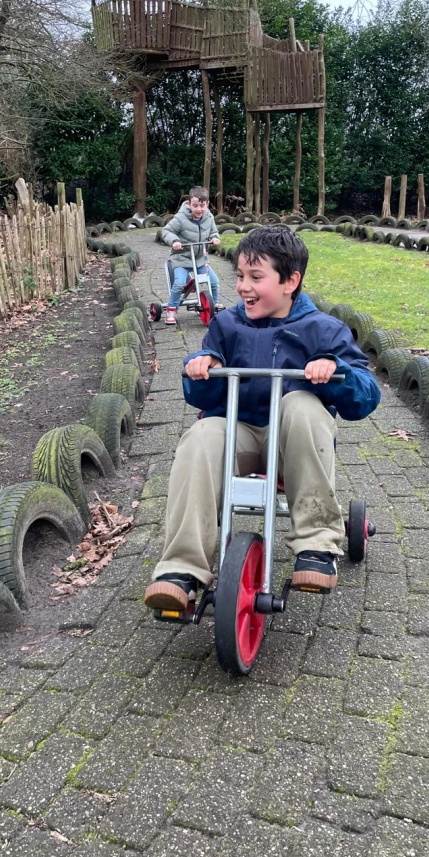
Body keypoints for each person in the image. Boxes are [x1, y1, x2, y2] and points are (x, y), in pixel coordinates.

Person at [144, 225, 381, 613]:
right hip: (238, 431)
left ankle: (317, 545)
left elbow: (365, 395)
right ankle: (182, 569)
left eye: (256, 277)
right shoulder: (226, 325)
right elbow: (203, 392)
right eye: (239, 276)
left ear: (291, 281)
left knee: (302, 405)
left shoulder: (322, 329)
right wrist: (200, 367)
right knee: (201, 434)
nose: (243, 286)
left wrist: (334, 369)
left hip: (289, 442)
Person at [161, 187, 222, 325]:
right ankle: (172, 309)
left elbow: (213, 232)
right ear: (189, 204)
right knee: (179, 283)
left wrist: (215, 238)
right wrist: (175, 241)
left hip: (200, 259)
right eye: (195, 205)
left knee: (214, 281)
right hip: (181, 258)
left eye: (202, 205)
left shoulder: (209, 217)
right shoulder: (180, 218)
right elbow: (166, 231)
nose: (199, 209)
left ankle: (215, 304)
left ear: (207, 204)